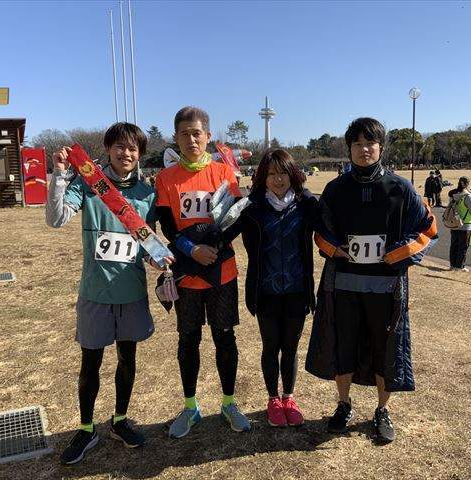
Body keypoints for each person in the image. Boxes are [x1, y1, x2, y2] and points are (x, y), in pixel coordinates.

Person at [306, 117, 438, 443]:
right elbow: (319, 231)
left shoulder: (400, 188)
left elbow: (428, 229)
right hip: (343, 285)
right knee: (343, 347)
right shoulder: (335, 189)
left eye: (370, 143)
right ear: (349, 148)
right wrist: (334, 249)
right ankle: (343, 404)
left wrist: (399, 253)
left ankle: (382, 410)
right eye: (357, 144)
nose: (364, 150)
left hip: (386, 287)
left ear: (381, 147)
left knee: (385, 351)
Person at [46, 123, 171, 465]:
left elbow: (145, 241)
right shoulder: (89, 185)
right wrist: (60, 175)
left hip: (131, 293)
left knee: (128, 359)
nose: (126, 153)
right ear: (108, 148)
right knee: (91, 363)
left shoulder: (146, 193)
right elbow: (56, 219)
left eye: (133, 148)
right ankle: (86, 429)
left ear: (140, 154)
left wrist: (158, 258)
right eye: (119, 146)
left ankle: (120, 420)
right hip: (95, 292)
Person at [154, 106, 251, 438]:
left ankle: (229, 403)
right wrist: (191, 250)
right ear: (176, 138)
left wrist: (214, 247)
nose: (191, 139)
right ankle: (190, 406)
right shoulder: (165, 178)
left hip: (221, 271)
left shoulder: (224, 173)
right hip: (188, 273)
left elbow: (235, 219)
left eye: (197, 133)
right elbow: (168, 226)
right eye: (184, 134)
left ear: (208, 136)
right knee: (188, 339)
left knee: (224, 337)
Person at [224, 149, 318, 427]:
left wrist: (309, 195)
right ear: (262, 177)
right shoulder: (252, 208)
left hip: (297, 291)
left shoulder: (305, 205)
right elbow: (224, 233)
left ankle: (289, 397)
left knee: (290, 348)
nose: (278, 179)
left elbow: (330, 224)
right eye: (272, 173)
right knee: (270, 346)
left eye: (283, 172)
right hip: (265, 292)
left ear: (293, 174)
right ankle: (273, 399)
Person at [447, 177, 471, 271]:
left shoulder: (453, 195)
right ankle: (460, 266)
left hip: (454, 223)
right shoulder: (467, 196)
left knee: (454, 245)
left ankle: (452, 265)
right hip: (465, 224)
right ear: (466, 184)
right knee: (463, 246)